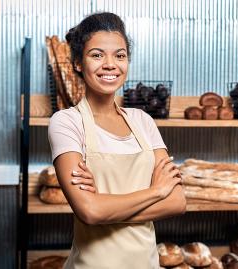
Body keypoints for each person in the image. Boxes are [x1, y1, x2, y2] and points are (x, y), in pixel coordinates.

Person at [48, 12, 186, 269]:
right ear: (78, 62)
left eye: (120, 55)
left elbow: (177, 201)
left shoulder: (143, 121)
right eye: (97, 55)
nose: (110, 64)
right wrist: (156, 191)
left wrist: (105, 207)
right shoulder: (66, 122)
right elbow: (89, 211)